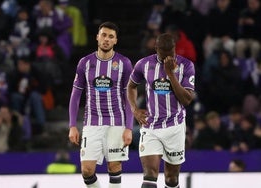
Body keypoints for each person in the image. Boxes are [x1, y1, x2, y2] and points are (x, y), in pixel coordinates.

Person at [68, 21, 133, 188]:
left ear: (115, 41)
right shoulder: (85, 63)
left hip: (117, 122)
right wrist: (72, 125)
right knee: (87, 170)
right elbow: (76, 95)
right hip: (92, 121)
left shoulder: (124, 63)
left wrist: (129, 127)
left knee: (114, 166)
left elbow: (129, 97)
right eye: (103, 35)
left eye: (111, 37)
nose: (106, 39)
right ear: (97, 37)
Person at [127, 33, 195, 188]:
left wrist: (170, 74)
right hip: (150, 127)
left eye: (170, 53)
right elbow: (131, 86)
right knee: (150, 175)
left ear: (174, 48)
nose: (166, 58)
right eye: (163, 54)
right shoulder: (143, 64)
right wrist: (134, 109)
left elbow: (187, 100)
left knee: (171, 179)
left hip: (175, 126)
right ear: (155, 48)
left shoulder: (187, 65)